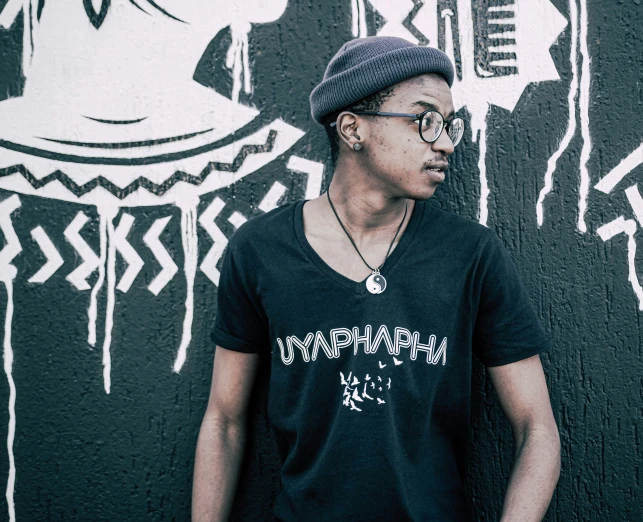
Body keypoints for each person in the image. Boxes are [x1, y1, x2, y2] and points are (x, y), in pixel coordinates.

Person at [192, 36, 560, 522]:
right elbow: (224, 420)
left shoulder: (470, 254)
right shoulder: (260, 252)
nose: (445, 142)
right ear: (352, 129)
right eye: (425, 120)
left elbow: (537, 427)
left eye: (449, 125)